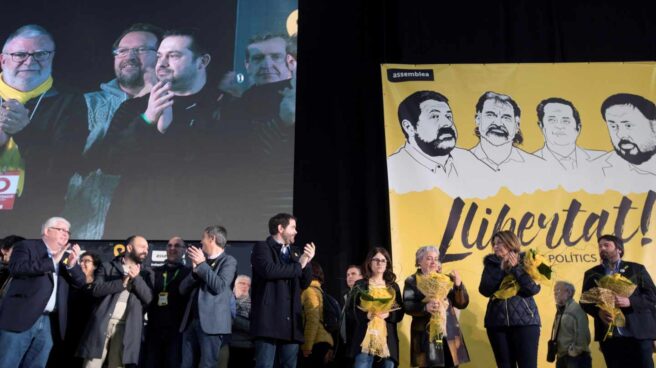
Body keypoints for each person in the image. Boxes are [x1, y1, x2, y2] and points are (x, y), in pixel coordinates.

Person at [94, 28, 230, 238]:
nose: (162, 63)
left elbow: (231, 166)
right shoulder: (134, 109)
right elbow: (110, 162)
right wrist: (147, 119)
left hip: (197, 228)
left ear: (202, 62)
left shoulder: (226, 106)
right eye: (159, 56)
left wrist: (168, 132)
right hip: (134, 226)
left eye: (173, 55)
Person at [63, 23, 164, 240]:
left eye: (140, 49)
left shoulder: (175, 106)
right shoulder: (84, 103)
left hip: (148, 229)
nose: (129, 56)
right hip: (85, 232)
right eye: (122, 51)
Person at [0, 25, 86, 236]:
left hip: (36, 214)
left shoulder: (70, 101)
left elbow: (64, 165)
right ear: (3, 59)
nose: (29, 61)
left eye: (40, 54)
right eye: (20, 54)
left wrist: (24, 133)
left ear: (52, 57)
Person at [0, 217, 85, 368]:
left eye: (68, 231)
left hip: (49, 322)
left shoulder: (66, 256)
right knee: (7, 362)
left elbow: (80, 282)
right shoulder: (26, 246)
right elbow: (17, 268)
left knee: (36, 364)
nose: (66, 234)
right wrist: (52, 261)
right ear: (47, 231)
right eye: (61, 230)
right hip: (21, 317)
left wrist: (72, 264)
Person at [387, 90, 495, 196]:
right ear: (409, 127)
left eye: (448, 117)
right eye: (435, 116)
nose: (447, 123)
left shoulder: (469, 159)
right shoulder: (393, 169)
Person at [77, 235, 154, 368]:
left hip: (127, 326)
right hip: (103, 322)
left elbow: (148, 298)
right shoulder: (107, 267)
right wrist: (121, 283)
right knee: (91, 364)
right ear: (129, 248)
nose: (146, 250)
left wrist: (136, 279)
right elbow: (96, 290)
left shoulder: (147, 273)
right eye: (142, 247)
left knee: (117, 364)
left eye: (147, 248)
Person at [250, 213, 315, 368]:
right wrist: (300, 266)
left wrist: (307, 261)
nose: (296, 231)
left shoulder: (296, 252)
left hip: (291, 323)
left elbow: (305, 283)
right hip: (268, 321)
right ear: (280, 228)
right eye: (293, 227)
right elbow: (270, 270)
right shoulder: (262, 248)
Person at [580, 234, 656, 368]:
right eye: (600, 246)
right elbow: (584, 301)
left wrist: (630, 301)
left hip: (638, 334)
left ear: (619, 249)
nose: (602, 248)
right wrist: (598, 312)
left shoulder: (636, 269)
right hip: (611, 337)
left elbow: (652, 296)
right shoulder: (592, 274)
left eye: (606, 245)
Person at [478, 231, 541, 368]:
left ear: (511, 243)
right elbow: (485, 290)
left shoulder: (528, 259)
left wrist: (516, 269)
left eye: (499, 242)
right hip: (497, 323)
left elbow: (533, 289)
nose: (495, 246)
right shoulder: (491, 264)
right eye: (494, 244)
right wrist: (502, 269)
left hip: (525, 322)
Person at [470, 91, 552, 195]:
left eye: (506, 117)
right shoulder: (457, 164)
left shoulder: (539, 167)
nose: (498, 124)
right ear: (478, 119)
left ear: (517, 126)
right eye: (490, 115)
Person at [178, 226, 237, 368]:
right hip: (191, 323)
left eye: (203, 238)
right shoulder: (200, 263)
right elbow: (182, 289)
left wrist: (202, 265)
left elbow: (220, 286)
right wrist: (194, 272)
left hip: (212, 325)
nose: (201, 241)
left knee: (208, 365)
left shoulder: (228, 261)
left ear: (212, 239)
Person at [403, 246, 470, 368]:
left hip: (448, 332)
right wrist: (425, 307)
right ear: (419, 261)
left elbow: (462, 304)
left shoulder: (446, 279)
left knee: (452, 365)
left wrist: (458, 285)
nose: (434, 262)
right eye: (429, 258)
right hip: (425, 334)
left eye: (435, 258)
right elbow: (407, 305)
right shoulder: (412, 281)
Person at [346, 247, 404, 368]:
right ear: (369, 262)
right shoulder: (360, 284)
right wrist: (365, 315)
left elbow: (400, 312)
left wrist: (389, 314)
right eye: (376, 260)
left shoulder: (393, 286)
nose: (380, 263)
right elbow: (350, 310)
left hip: (387, 341)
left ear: (387, 263)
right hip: (364, 340)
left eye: (383, 260)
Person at [593, 93, 656, 193]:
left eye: (628, 125)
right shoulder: (595, 168)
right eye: (613, 126)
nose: (620, 134)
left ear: (654, 126)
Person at [143, 236, 191, 368]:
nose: (172, 249)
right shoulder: (154, 272)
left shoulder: (190, 273)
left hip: (177, 331)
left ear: (184, 251)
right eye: (169, 245)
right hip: (154, 329)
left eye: (176, 246)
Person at [533, 98, 605, 171]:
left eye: (566, 121)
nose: (559, 126)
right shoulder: (530, 162)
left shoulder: (602, 159)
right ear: (541, 126)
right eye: (552, 120)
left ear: (578, 128)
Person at [300, 261, 334, 368]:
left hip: (316, 343)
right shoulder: (319, 290)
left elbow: (313, 320)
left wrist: (307, 346)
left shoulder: (309, 291)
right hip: (323, 341)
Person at [551, 281, 591, 368]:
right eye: (554, 291)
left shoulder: (576, 310)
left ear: (568, 292)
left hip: (575, 358)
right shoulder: (560, 311)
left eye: (558, 290)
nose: (555, 293)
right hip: (562, 357)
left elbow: (583, 333)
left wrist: (574, 351)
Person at [229, 274, 254, 368]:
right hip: (229, 345)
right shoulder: (226, 301)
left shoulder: (254, 305)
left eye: (248, 285)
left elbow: (253, 327)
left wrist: (232, 317)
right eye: (242, 283)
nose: (245, 286)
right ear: (234, 285)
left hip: (247, 346)